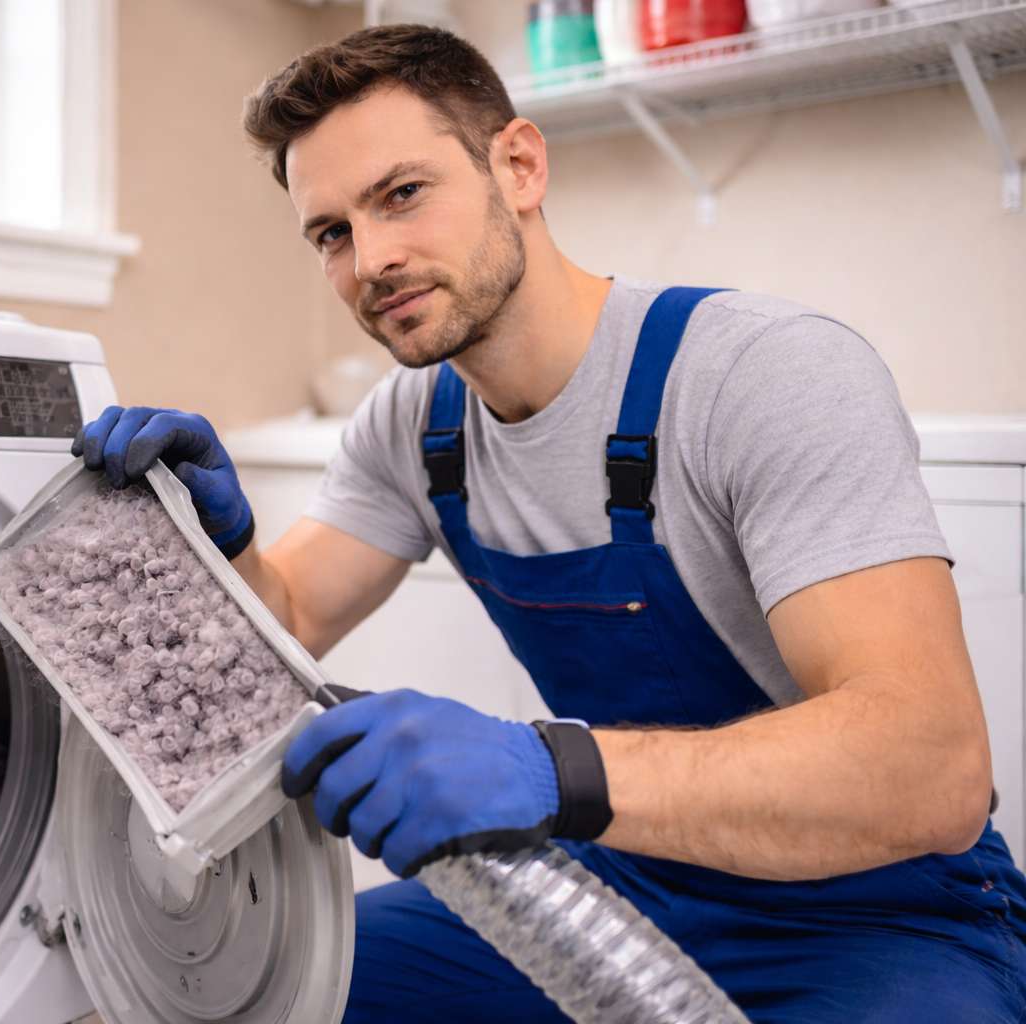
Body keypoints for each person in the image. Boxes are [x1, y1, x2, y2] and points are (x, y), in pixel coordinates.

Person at [73, 23, 1026, 1023]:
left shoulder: (759, 374)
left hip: (883, 918)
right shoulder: (414, 423)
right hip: (619, 879)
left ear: (519, 166)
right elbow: (290, 618)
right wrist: (209, 543)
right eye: (332, 233)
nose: (373, 260)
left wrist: (548, 766)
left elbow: (933, 767)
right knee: (266, 996)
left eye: (402, 195)